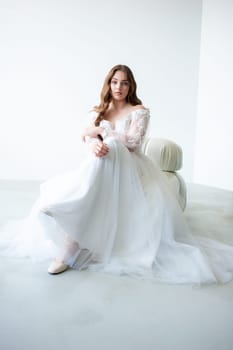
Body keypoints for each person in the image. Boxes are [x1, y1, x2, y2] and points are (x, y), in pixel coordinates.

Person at [1, 64, 233, 284]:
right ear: (108, 84)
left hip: (130, 167)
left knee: (111, 144)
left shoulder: (139, 112)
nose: (118, 87)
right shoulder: (97, 111)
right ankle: (70, 222)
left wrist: (102, 132)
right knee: (103, 150)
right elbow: (89, 140)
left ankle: (71, 241)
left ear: (131, 86)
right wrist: (93, 142)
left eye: (124, 83)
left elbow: (133, 142)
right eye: (114, 82)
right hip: (101, 165)